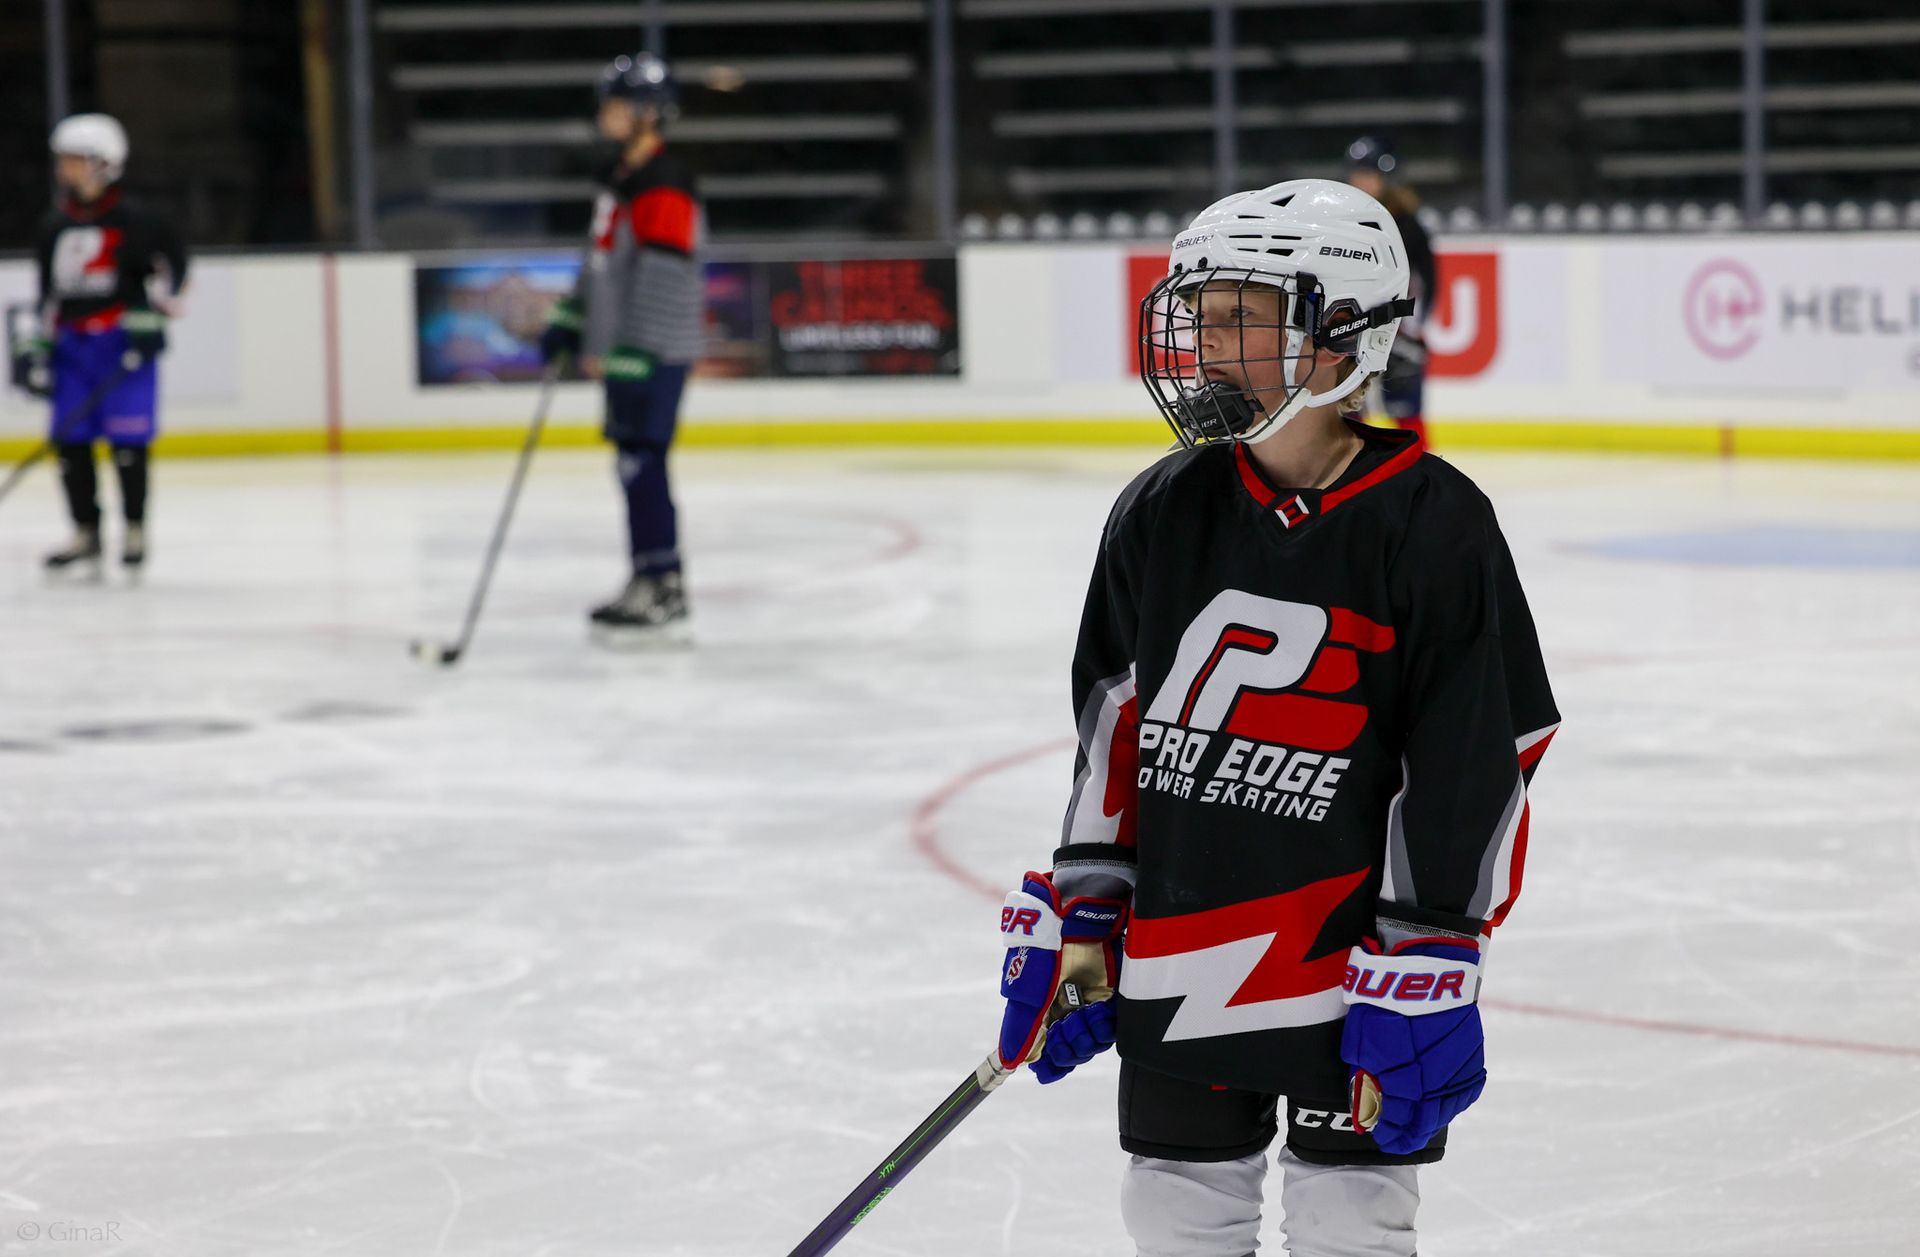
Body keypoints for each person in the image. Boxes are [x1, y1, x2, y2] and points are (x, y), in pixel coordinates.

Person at [993, 179, 1558, 1256]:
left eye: (1240, 318)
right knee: (1172, 1207)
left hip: (1346, 962)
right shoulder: (1161, 509)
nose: (1206, 346)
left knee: (1353, 1223)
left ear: (1345, 332)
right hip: (1187, 943)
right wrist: (1090, 905)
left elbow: (1476, 755)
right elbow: (1113, 724)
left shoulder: (1437, 526)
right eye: (1199, 316)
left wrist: (1428, 945)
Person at [540, 52, 704, 643]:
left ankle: (663, 582)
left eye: (616, 103)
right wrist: (571, 317)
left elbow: (664, 273)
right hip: (624, 351)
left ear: (648, 113)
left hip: (653, 351)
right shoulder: (619, 178)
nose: (605, 114)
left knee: (644, 461)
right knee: (631, 464)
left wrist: (638, 350)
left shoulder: (664, 184)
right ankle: (647, 575)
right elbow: (601, 261)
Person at [13, 114, 187, 575]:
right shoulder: (54, 225)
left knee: (129, 442)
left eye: (74, 160)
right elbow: (45, 294)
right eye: (63, 160)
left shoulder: (140, 221)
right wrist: (36, 346)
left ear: (104, 163)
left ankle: (134, 527)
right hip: (73, 347)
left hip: (121, 342)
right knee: (71, 444)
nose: (64, 170)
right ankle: (85, 531)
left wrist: (157, 314)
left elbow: (176, 273)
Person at [1344, 137, 1434, 446]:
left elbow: (1429, 280)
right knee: (1350, 413)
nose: (1363, 181)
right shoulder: (1346, 223)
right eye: (1359, 173)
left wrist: (1413, 327)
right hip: (1353, 330)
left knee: (1406, 410)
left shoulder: (1408, 226)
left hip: (1400, 333)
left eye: (1370, 174)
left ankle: (1422, 475)